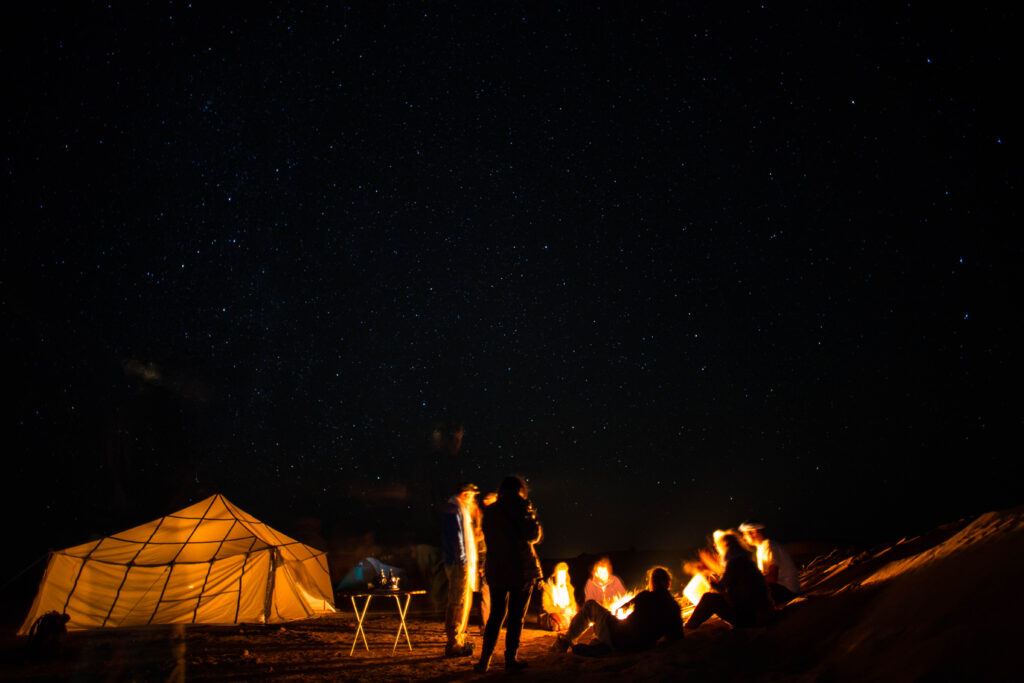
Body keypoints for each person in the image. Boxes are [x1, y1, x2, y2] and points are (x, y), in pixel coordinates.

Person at [474, 476, 543, 674]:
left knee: (496, 615)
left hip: (496, 568)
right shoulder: (522, 506)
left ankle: (484, 661)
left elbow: (489, 537)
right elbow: (533, 536)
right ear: (520, 489)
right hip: (520, 569)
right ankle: (510, 659)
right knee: (516, 617)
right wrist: (533, 518)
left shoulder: (491, 510)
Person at [554, 566, 683, 654]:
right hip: (637, 647)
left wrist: (616, 614)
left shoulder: (645, 596)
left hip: (618, 636)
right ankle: (600, 645)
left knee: (590, 606)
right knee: (599, 636)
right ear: (669, 584)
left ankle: (566, 640)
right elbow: (677, 637)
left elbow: (621, 608)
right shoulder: (675, 608)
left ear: (652, 583)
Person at [685, 532, 774, 629]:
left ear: (724, 546)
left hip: (751, 618)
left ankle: (689, 627)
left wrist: (707, 578)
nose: (717, 549)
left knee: (709, 599)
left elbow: (720, 588)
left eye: (718, 547)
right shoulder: (745, 561)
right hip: (764, 612)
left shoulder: (734, 563)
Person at [441, 482, 479, 657]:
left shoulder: (459, 509)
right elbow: (456, 537)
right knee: (458, 601)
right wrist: (463, 560)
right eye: (471, 496)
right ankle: (454, 642)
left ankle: (458, 639)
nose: (473, 499)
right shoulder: (454, 510)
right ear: (464, 494)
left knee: (462, 601)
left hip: (459, 562)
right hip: (458, 563)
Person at [739, 520, 801, 606]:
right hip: (781, 588)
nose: (744, 538)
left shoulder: (770, 547)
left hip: (787, 590)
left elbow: (772, 578)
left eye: (745, 534)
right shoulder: (761, 549)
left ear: (754, 532)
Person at [539, 562, 578, 631]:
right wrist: (562, 610)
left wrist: (571, 610)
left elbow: (573, 604)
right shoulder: (547, 588)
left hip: (566, 614)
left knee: (579, 617)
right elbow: (546, 607)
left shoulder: (569, 588)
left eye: (563, 575)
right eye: (559, 575)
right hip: (550, 615)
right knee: (558, 622)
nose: (561, 578)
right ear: (554, 575)